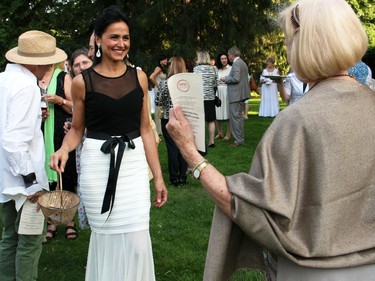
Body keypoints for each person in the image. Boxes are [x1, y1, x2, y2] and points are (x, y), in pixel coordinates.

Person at [166, 0, 375, 280]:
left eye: (289, 42)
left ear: (306, 46)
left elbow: (247, 208)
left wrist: (190, 153)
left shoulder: (296, 121)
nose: (287, 51)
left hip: (311, 272)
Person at [50, 6, 168, 281]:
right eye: (114, 37)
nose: (121, 43)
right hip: (97, 166)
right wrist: (64, 149)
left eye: (125, 37)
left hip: (133, 166)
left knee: (138, 244)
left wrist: (159, 177)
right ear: (99, 39)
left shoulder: (138, 76)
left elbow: (146, 130)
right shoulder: (82, 83)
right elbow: (77, 129)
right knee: (106, 239)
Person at [0, 30, 67, 281]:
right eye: (48, 59)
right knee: (30, 242)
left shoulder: (3, 80)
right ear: (35, 62)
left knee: (10, 237)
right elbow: (13, 140)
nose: (51, 65)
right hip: (22, 182)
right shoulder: (26, 86)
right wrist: (31, 182)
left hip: (5, 177)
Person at [39, 63, 78, 240]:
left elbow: (75, 108)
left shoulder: (63, 77)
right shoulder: (33, 78)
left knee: (66, 173)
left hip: (60, 132)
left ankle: (69, 221)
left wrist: (59, 100)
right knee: (44, 174)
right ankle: (51, 221)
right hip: (39, 134)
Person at [155, 56, 188, 186]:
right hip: (184, 117)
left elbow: (158, 101)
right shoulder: (187, 83)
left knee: (172, 147)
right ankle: (183, 176)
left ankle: (174, 177)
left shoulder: (165, 82)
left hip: (169, 117)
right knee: (183, 146)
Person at [220, 46, 250, 147]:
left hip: (236, 95)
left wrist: (226, 79)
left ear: (232, 55)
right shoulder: (242, 62)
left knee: (235, 118)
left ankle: (238, 140)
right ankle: (239, 138)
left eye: (228, 55)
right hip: (240, 94)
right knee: (238, 118)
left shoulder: (237, 63)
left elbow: (236, 78)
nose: (228, 57)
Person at [193, 51, 218, 148]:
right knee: (211, 120)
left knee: (199, 120)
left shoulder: (196, 69)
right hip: (210, 97)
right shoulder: (214, 69)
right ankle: (211, 141)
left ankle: (200, 142)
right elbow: (216, 83)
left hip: (199, 97)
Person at [149, 54, 168, 136]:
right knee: (159, 108)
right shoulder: (159, 68)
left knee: (161, 108)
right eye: (164, 60)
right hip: (159, 90)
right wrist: (158, 85)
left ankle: (161, 129)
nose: (166, 61)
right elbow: (151, 77)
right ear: (160, 61)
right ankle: (158, 130)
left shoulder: (163, 69)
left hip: (162, 89)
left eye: (166, 59)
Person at [214, 53, 232, 141]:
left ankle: (228, 134)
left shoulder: (231, 69)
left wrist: (225, 80)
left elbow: (233, 80)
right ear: (219, 60)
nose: (224, 60)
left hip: (227, 91)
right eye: (222, 59)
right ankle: (220, 132)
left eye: (225, 58)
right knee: (218, 112)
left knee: (228, 112)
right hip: (218, 92)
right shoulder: (217, 69)